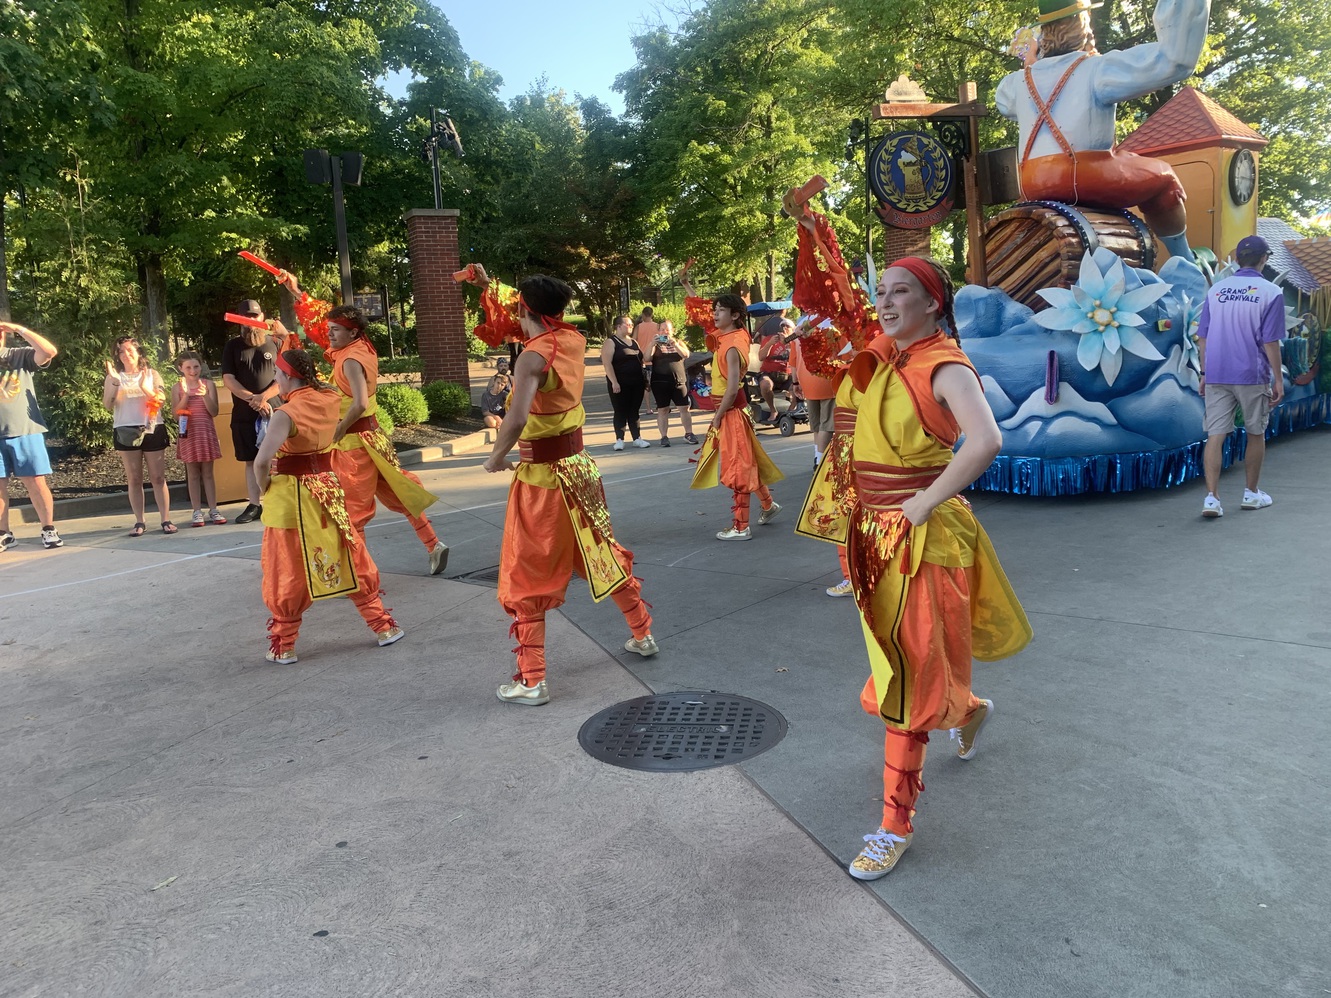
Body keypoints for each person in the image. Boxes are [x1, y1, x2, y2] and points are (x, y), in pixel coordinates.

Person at [789, 196, 1033, 880]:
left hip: (919, 538)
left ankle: (893, 824)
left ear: (932, 304)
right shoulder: (883, 357)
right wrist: (813, 235)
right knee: (908, 667)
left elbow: (985, 441)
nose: (886, 302)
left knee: (905, 680)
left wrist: (924, 503)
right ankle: (969, 707)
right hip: (875, 535)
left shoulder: (943, 365)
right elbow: (837, 321)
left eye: (901, 293)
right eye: (882, 292)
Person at [475, 268, 657, 706]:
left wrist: (496, 455)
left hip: (543, 477)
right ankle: (643, 633)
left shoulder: (532, 356)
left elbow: (515, 418)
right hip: (578, 468)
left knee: (527, 571)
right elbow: (534, 311)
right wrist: (488, 286)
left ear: (524, 309)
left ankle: (532, 679)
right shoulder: (572, 340)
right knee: (601, 552)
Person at [994, 0, 1209, 262]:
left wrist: (1031, 65)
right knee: (1163, 178)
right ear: (1082, 27)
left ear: (1044, 34)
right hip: (1084, 175)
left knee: (1128, 159)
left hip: (1030, 181)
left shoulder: (1017, 82)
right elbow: (1172, 61)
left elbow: (1002, 102)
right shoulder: (1098, 70)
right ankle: (1183, 260)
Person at [278, 274, 447, 575]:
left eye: (334, 331)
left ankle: (360, 574)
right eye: (329, 329)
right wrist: (297, 292)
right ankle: (433, 544)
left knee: (353, 510)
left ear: (352, 333)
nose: (328, 334)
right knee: (399, 495)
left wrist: (337, 430)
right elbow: (323, 320)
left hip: (355, 444)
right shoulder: (362, 347)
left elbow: (357, 402)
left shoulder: (350, 360)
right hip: (373, 438)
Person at [254, 348, 403, 663]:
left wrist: (264, 486)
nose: (276, 381)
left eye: (278, 375)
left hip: (290, 498)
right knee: (350, 555)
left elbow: (262, 460)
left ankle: (285, 645)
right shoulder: (329, 399)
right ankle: (383, 626)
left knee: (287, 568)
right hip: (327, 490)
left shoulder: (286, 413)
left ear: (289, 376)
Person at [681, 267, 784, 541]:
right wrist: (687, 285)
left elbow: (732, 386)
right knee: (747, 461)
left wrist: (719, 415)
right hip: (734, 412)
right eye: (715, 310)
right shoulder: (730, 336)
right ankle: (768, 505)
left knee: (738, 467)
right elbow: (703, 316)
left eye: (720, 310)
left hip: (732, 413)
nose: (714, 314)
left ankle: (741, 526)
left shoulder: (731, 346)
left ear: (735, 315)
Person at [1197, 234, 1286, 518]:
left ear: (1236, 259)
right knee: (1255, 433)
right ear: (1264, 259)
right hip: (1251, 374)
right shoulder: (1271, 292)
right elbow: (1270, 341)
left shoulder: (1216, 290)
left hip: (1217, 374)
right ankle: (1251, 493)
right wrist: (1279, 379)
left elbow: (1203, 337)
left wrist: (1204, 372)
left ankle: (1211, 498)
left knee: (1215, 436)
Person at [221, 299, 286, 524]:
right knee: (251, 460)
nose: (252, 321)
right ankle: (254, 504)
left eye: (255, 316)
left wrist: (264, 398)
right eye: (247, 317)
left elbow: (285, 378)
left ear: (262, 317)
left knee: (278, 458)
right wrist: (252, 399)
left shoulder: (275, 343)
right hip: (245, 411)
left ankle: (278, 501)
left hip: (275, 411)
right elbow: (228, 379)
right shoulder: (232, 346)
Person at [0, 320, 62, 551]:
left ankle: (48, 529)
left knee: (35, 482)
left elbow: (49, 351)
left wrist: (19, 329)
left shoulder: (19, 355)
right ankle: (4, 534)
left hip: (25, 431)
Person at [103, 336, 175, 536]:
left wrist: (144, 386)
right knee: (134, 478)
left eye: (129, 350)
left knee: (158, 477)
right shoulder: (114, 376)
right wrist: (115, 383)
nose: (126, 354)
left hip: (152, 427)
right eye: (121, 351)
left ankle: (165, 519)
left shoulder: (152, 374)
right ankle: (139, 521)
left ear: (139, 352)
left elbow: (160, 400)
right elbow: (108, 405)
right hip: (125, 428)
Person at [171, 351, 227, 526]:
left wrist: (204, 395)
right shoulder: (177, 388)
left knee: (208, 473)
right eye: (188, 367)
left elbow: (214, 411)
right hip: (188, 434)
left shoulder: (208, 384)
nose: (193, 370)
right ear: (181, 368)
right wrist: (186, 396)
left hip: (205, 432)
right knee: (193, 474)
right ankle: (196, 511)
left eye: (196, 366)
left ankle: (213, 509)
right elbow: (175, 415)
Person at [600, 313, 650, 450]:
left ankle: (637, 438)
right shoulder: (611, 342)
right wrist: (614, 382)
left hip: (637, 382)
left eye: (631, 325)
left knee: (634, 411)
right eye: (627, 324)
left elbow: (642, 360)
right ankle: (619, 439)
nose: (631, 327)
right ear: (618, 326)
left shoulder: (634, 342)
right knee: (620, 410)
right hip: (620, 383)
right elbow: (607, 364)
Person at [649, 320, 697, 446]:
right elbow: (646, 358)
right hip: (660, 382)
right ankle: (664, 436)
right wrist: (652, 344)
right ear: (658, 331)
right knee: (663, 410)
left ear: (672, 330)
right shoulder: (656, 345)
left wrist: (675, 344)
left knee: (684, 408)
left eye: (667, 329)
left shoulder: (678, 342)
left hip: (678, 381)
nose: (665, 332)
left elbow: (686, 354)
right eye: (662, 329)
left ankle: (689, 433)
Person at [756, 309, 796, 424]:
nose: (784, 330)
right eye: (782, 327)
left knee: (799, 387)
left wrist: (788, 343)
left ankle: (790, 411)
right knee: (765, 384)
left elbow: (799, 357)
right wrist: (769, 344)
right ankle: (773, 410)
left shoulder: (793, 340)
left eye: (786, 328)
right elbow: (761, 357)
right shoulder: (769, 339)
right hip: (769, 373)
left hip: (787, 374)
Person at [634, 306, 660, 414]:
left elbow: (634, 341)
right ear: (652, 314)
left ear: (643, 315)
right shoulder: (658, 326)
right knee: (658, 383)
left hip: (643, 359)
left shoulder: (638, 327)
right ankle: (660, 405)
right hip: (657, 359)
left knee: (647, 386)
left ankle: (648, 408)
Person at [480, 358, 512, 429]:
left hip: (505, 413)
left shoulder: (511, 379)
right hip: (492, 415)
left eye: (505, 365)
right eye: (501, 366)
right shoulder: (486, 394)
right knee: (492, 422)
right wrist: (496, 417)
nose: (499, 385)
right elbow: (485, 411)